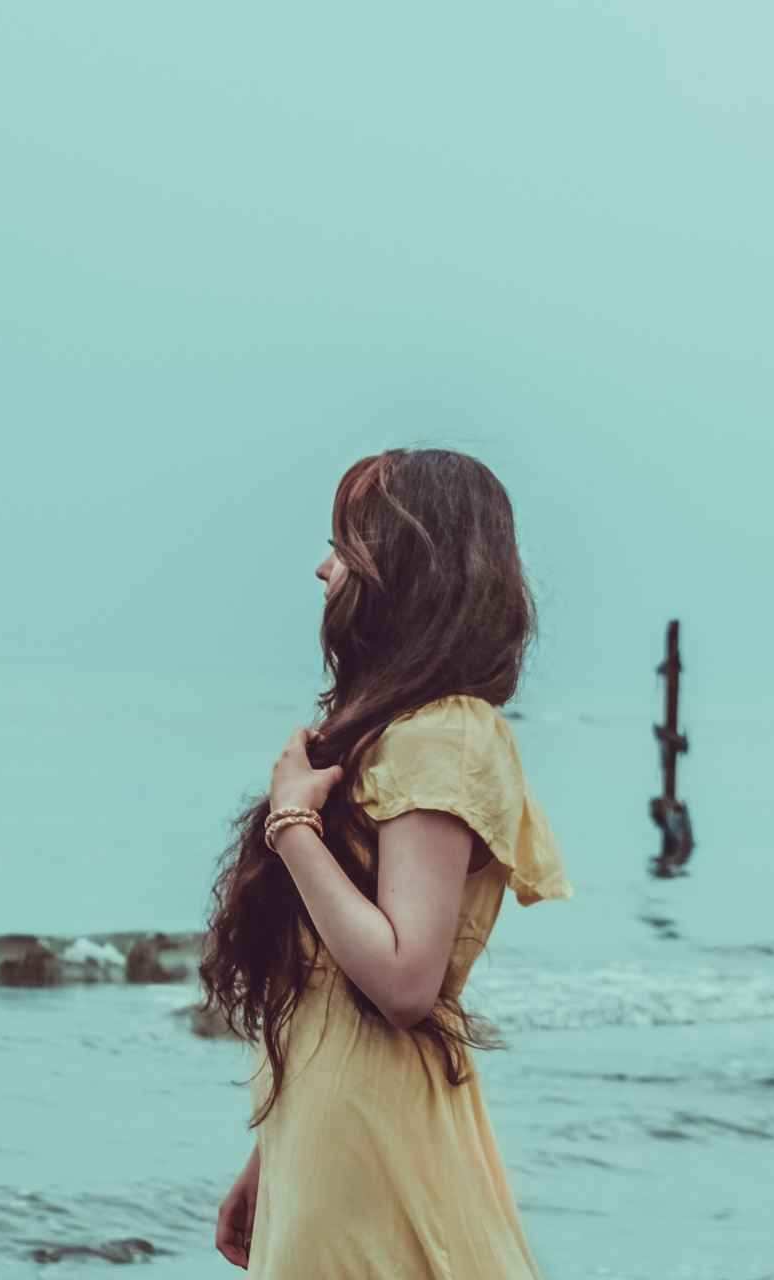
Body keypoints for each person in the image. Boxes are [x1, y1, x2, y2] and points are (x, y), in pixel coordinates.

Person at [199, 447, 574, 1276]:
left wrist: (293, 823)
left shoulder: (442, 735)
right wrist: (271, 1153)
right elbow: (334, 980)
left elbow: (403, 981)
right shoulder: (405, 731)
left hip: (371, 1136)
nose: (324, 567)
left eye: (347, 543)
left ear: (408, 565)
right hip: (325, 1128)